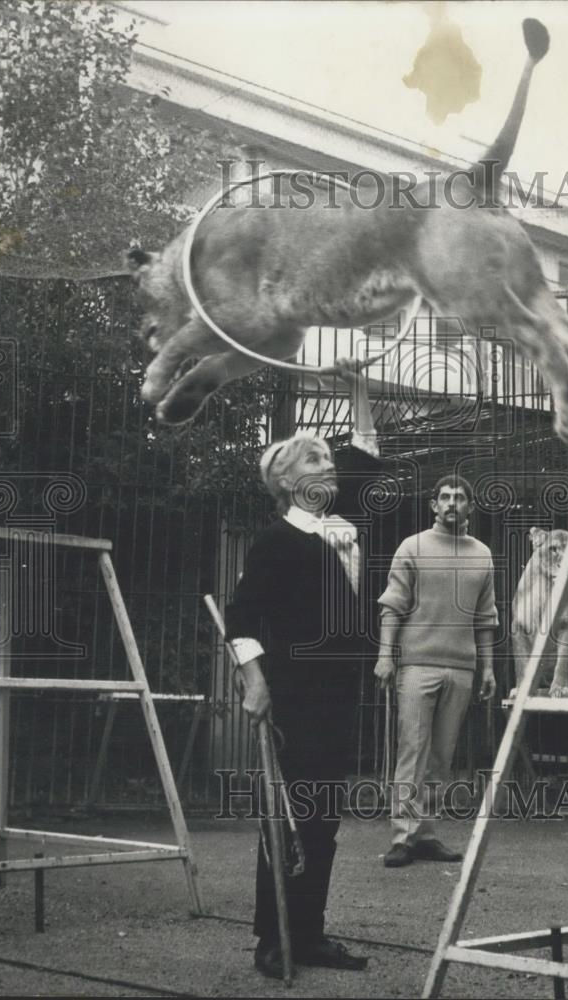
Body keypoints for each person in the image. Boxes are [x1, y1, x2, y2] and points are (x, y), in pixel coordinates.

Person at [225, 358, 380, 980]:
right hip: (295, 695)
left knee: (324, 819)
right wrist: (256, 682)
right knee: (290, 817)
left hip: (340, 693)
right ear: (287, 482)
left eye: (327, 461)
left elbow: (367, 450)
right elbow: (239, 620)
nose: (329, 466)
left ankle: (309, 933)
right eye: (315, 460)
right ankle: (273, 938)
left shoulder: (343, 526)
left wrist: (357, 386)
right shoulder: (276, 542)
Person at [374, 474, 498, 868]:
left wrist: (489, 668)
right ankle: (402, 837)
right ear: (433, 505)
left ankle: (425, 834)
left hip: (461, 668)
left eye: (459, 498)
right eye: (443, 497)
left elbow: (486, 617)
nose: (450, 504)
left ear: (469, 507)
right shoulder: (412, 546)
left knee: (441, 758)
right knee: (412, 750)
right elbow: (392, 604)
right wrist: (385, 656)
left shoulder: (482, 554)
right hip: (416, 665)